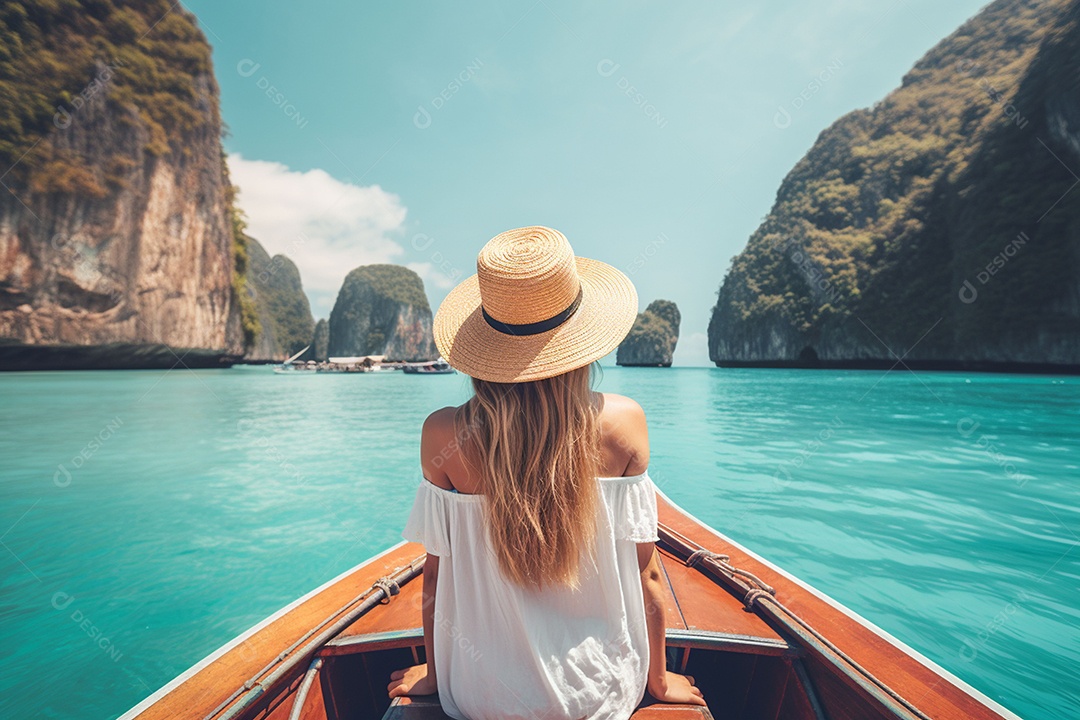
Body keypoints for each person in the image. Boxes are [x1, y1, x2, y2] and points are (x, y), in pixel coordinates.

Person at [388, 226, 705, 719]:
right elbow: (648, 574)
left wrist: (434, 675)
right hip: (598, 694)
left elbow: (436, 577)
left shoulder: (442, 434)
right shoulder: (624, 423)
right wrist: (659, 681)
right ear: (583, 341)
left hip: (478, 696)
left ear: (482, 349)